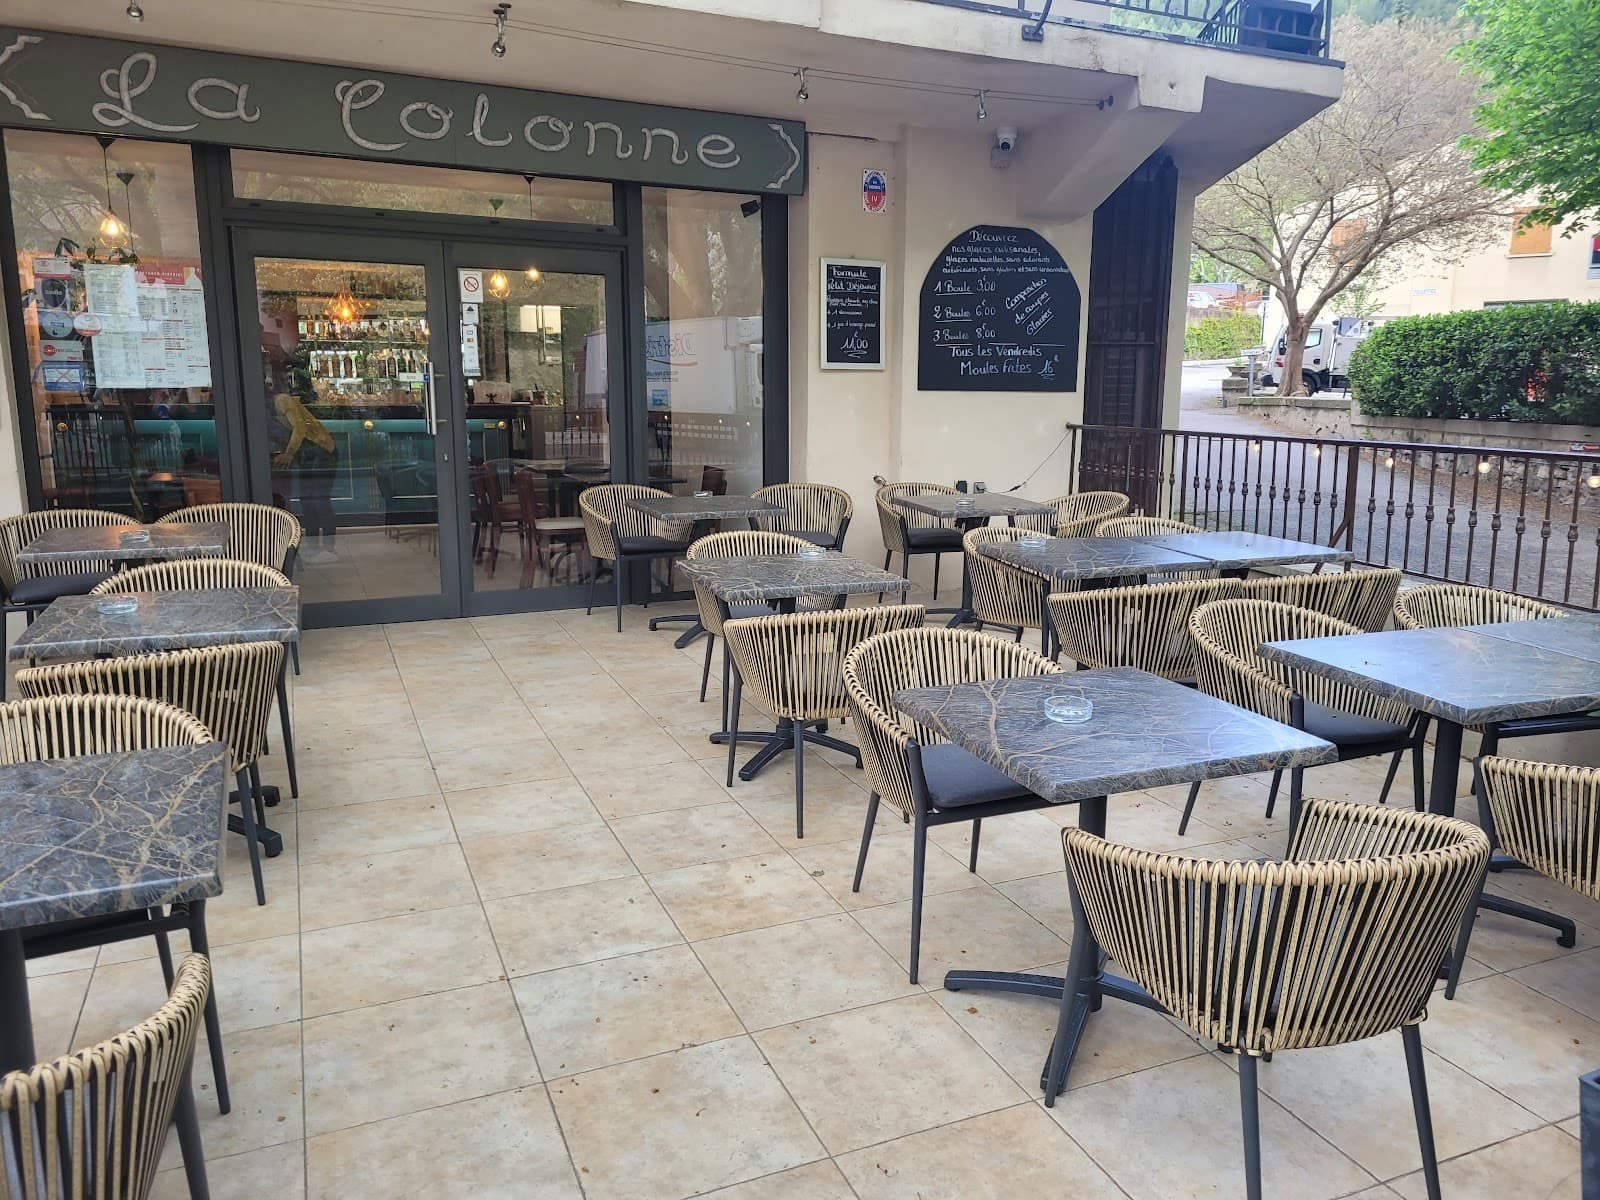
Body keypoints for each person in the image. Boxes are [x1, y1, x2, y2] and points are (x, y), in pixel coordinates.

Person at [271, 385, 339, 564]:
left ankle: (329, 547)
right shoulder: (272, 404)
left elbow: (300, 427)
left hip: (322, 452)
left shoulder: (281, 399)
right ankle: (314, 546)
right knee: (308, 500)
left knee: (319, 499)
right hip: (309, 454)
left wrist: (289, 453)